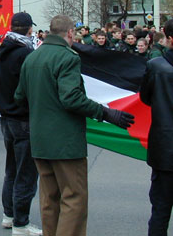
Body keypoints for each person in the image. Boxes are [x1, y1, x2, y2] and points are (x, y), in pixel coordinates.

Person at [14, 15, 134, 236]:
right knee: (74, 197)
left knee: (50, 199)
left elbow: (19, 96)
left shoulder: (32, 58)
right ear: (70, 33)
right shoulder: (67, 57)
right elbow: (71, 98)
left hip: (40, 140)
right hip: (65, 142)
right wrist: (106, 113)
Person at [0, 12, 41, 235]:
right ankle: (21, 223)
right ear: (29, 29)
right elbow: (33, 86)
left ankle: (9, 215)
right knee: (26, 173)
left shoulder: (1, 51)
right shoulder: (25, 53)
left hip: (6, 119)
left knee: (11, 170)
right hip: (23, 119)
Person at [139, 18, 173, 236]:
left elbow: (145, 97)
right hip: (164, 147)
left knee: (160, 209)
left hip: (165, 147)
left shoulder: (156, 66)